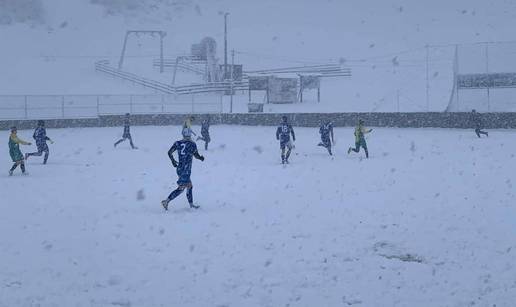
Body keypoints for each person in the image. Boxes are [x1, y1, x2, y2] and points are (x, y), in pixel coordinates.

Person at [161, 128, 205, 211]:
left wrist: (173, 161)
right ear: (190, 135)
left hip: (180, 168)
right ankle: (166, 201)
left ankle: (191, 205)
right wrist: (201, 158)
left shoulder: (178, 143)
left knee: (189, 186)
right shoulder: (192, 144)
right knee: (182, 188)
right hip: (186, 169)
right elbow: (196, 155)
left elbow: (169, 152)